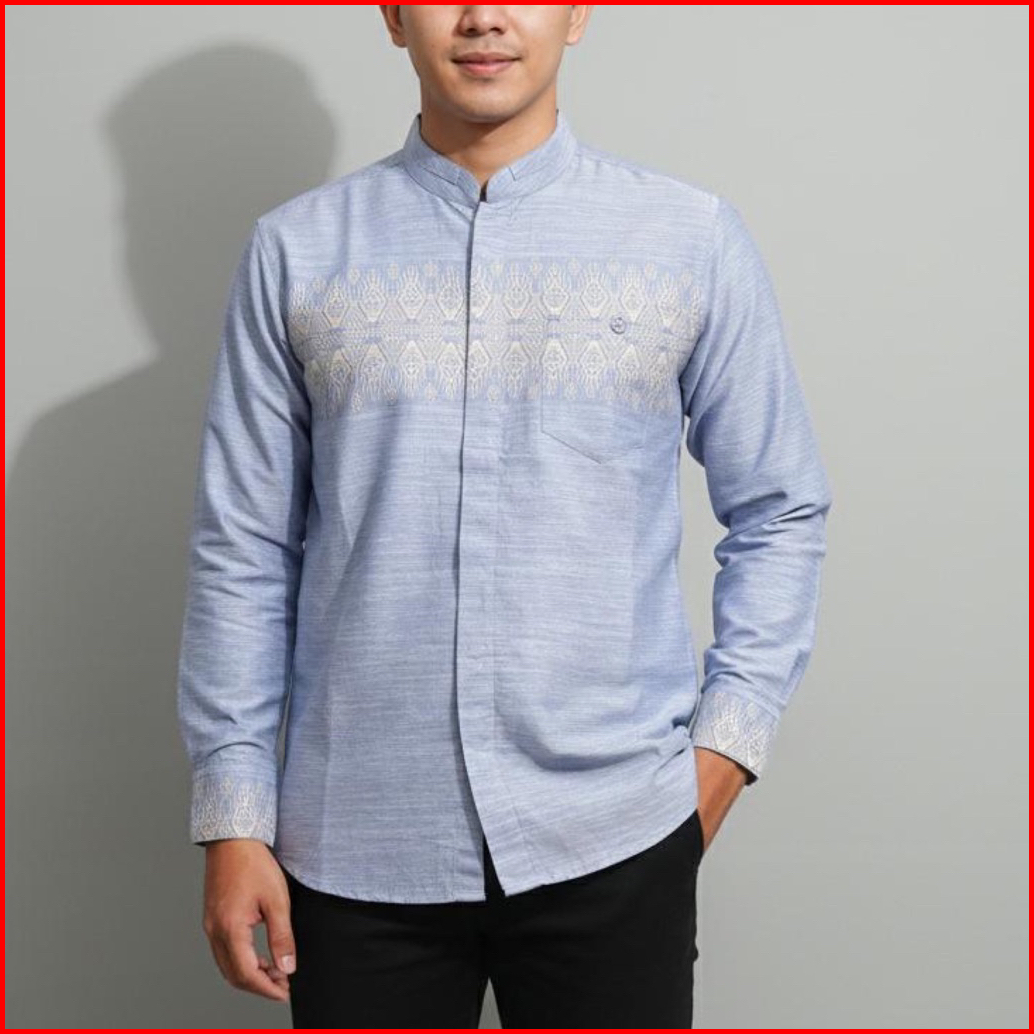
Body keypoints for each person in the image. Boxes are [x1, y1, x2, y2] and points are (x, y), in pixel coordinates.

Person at [176, 5, 832, 1028]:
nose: (483, 15)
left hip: (614, 831)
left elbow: (779, 507)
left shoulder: (687, 239)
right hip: (353, 843)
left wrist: (719, 758)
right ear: (393, 15)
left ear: (578, 12)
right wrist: (233, 818)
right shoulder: (297, 251)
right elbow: (243, 548)